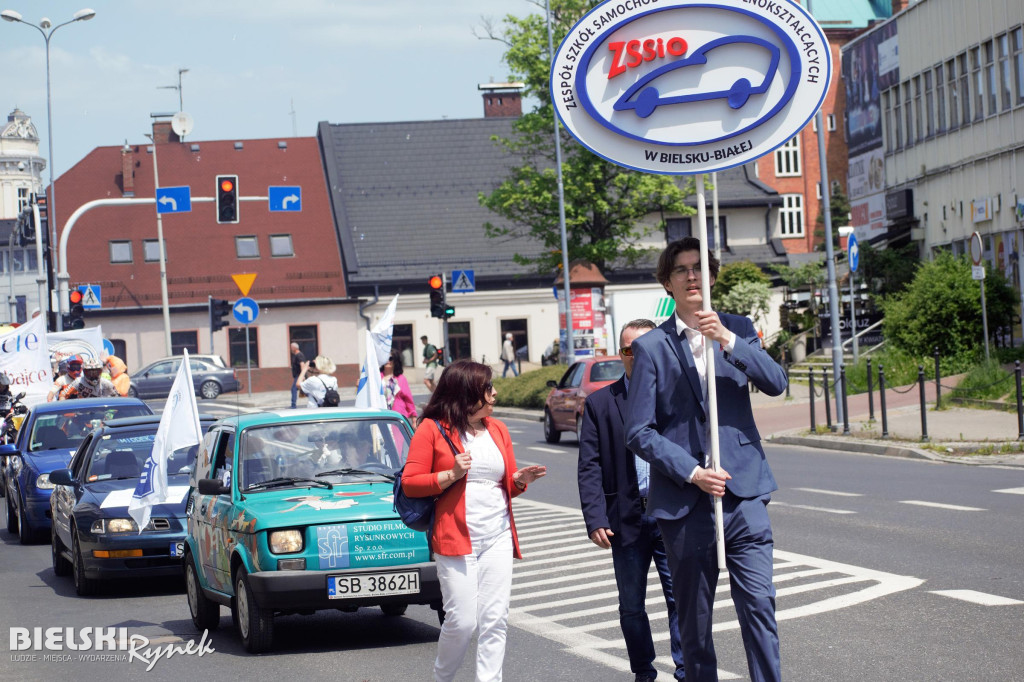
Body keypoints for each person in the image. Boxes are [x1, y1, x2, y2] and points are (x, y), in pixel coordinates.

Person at [624, 238, 788, 682]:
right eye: (682, 270)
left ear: (713, 277)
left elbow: (776, 382)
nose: (692, 276)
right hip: (685, 502)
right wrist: (692, 472)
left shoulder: (739, 327)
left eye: (700, 267)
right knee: (694, 625)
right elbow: (638, 430)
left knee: (759, 605)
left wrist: (729, 339)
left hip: (745, 493)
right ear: (667, 283)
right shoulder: (652, 348)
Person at [402, 360, 547, 682]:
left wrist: (520, 480)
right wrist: (450, 474)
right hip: (456, 536)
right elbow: (410, 482)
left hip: (497, 535)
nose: (495, 393)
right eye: (488, 388)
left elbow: (506, 484)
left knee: (495, 618)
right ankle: (443, 678)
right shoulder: (433, 428)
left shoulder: (498, 429)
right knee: (462, 621)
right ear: (467, 392)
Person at [578, 318, 686, 682]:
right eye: (628, 350)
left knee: (681, 599)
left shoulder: (677, 397)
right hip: (625, 518)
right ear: (620, 354)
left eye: (644, 348)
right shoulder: (600, 403)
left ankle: (685, 669)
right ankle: (643, 670)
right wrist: (595, 518)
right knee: (631, 606)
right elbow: (589, 466)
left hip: (671, 514)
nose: (636, 357)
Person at [381, 349, 417, 424]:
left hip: (397, 417)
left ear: (395, 361)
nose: (388, 360)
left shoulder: (401, 379)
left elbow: (408, 399)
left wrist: (414, 417)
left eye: (391, 358)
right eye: (385, 358)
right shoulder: (376, 378)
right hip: (381, 417)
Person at [289, 342, 306, 409]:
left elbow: (302, 364)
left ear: (294, 348)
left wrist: (303, 375)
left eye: (291, 347)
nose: (290, 349)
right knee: (302, 389)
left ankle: (293, 405)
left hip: (299, 376)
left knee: (294, 389)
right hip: (298, 375)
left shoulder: (299, 355)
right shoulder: (297, 355)